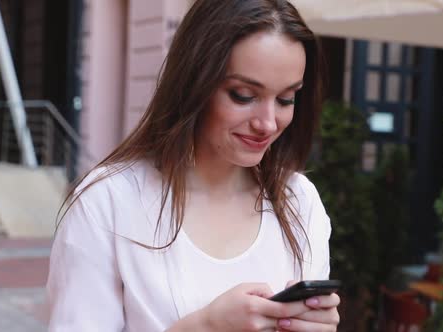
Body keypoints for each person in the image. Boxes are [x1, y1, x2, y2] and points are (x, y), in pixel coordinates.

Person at [46, 0, 340, 331]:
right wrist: (206, 325)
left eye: (286, 99)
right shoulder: (108, 201)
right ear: (193, 82)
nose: (268, 123)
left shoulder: (300, 201)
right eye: (243, 95)